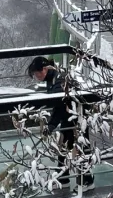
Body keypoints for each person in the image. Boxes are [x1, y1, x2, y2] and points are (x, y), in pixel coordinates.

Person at [27, 55, 78, 185]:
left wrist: (51, 126)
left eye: (37, 73)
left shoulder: (58, 79)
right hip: (68, 116)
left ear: (44, 69)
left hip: (75, 116)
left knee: (72, 147)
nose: (37, 77)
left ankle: (85, 181)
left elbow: (59, 105)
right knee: (64, 148)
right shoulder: (53, 77)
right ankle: (63, 178)